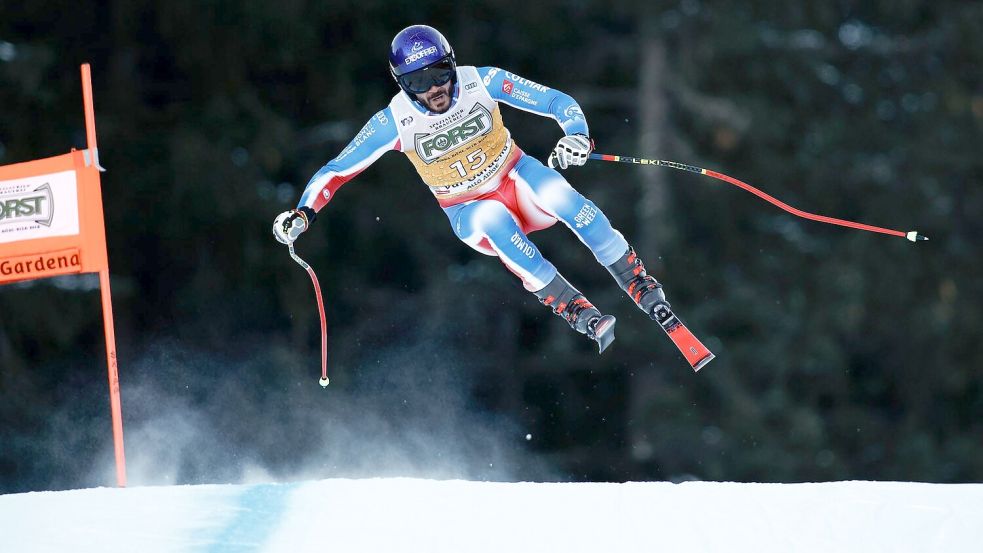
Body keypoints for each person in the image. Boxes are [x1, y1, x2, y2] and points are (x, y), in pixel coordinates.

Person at [273, 24, 668, 353]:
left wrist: (577, 137)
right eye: (418, 81)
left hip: (516, 177)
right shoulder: (394, 121)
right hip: (469, 210)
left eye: (440, 73)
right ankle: (574, 307)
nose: (434, 89)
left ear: (453, 64)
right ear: (401, 84)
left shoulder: (483, 81)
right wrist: (303, 213)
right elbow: (337, 170)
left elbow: (556, 101)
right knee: (495, 218)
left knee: (557, 192)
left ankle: (636, 279)